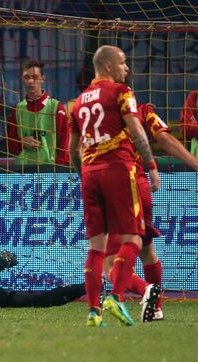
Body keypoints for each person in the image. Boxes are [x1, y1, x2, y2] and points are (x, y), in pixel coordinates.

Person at [69, 45, 160, 327]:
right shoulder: (121, 92)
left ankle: (93, 311)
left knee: (96, 248)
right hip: (118, 169)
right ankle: (117, 297)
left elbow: (73, 150)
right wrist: (152, 165)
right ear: (108, 65)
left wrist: (84, 173)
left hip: (90, 172)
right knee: (133, 238)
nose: (127, 68)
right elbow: (136, 130)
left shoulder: (78, 102)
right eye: (123, 63)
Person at [104, 103, 198, 322]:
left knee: (109, 265)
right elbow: (165, 138)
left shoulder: (99, 112)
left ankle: (146, 289)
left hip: (118, 186)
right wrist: (197, 165)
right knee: (147, 252)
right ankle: (156, 309)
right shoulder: (143, 110)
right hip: (141, 185)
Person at [6, 59, 69, 165]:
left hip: (50, 171)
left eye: (35, 77)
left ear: (43, 78)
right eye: (27, 77)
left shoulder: (56, 107)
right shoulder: (17, 109)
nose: (31, 81)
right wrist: (21, 142)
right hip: (22, 172)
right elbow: (9, 147)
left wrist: (59, 171)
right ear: (22, 79)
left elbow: (64, 147)